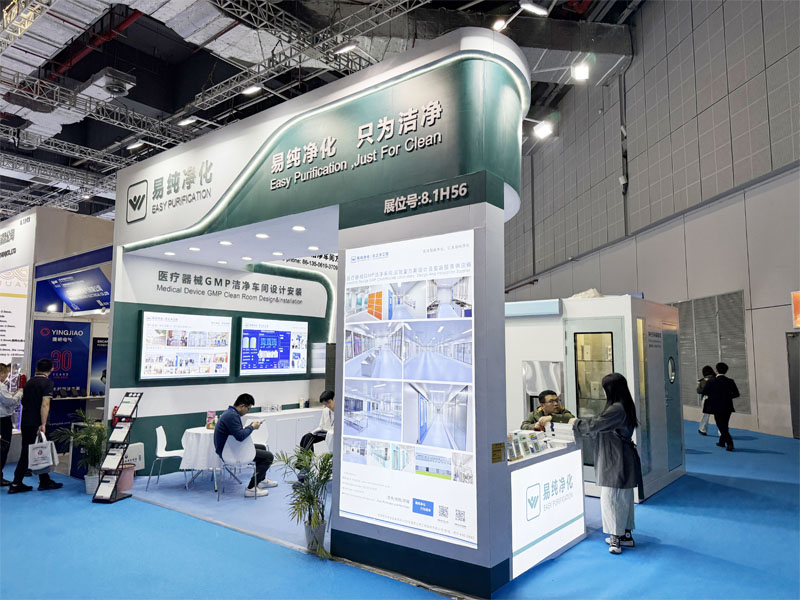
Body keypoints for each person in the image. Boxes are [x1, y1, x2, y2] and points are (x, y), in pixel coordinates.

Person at [569, 373, 642, 555]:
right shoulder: (624, 405)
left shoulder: (616, 409)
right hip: (621, 456)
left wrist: (575, 423)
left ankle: (615, 538)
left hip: (615, 458)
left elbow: (594, 425)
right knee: (623, 498)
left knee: (611, 499)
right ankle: (626, 535)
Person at [9, 358, 63, 494]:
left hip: (26, 421)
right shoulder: (47, 383)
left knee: (30, 451)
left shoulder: (29, 382)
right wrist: (43, 423)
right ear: (51, 369)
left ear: (37, 369)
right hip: (37, 423)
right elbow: (45, 404)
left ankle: (43, 480)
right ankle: (17, 482)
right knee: (35, 451)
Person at [214, 393, 277, 497]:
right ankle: (251, 488)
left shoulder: (230, 413)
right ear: (242, 406)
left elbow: (238, 433)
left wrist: (250, 427)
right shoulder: (232, 416)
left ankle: (261, 479)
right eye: (248, 408)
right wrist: (252, 427)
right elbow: (240, 436)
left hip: (230, 448)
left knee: (262, 447)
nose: (248, 411)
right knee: (268, 457)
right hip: (229, 452)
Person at [702, 362, 740, 452]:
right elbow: (736, 394)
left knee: (720, 425)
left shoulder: (711, 381)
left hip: (716, 406)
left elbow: (704, 391)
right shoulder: (730, 381)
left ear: (716, 371)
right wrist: (727, 397)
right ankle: (721, 442)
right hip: (728, 406)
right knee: (725, 424)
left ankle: (729, 443)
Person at [0, 363, 24, 485]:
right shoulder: (1, 386)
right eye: (6, 374)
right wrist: (20, 392)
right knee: (2, 449)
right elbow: (10, 402)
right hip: (2, 421)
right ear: (2, 373)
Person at [697, 365, 716, 435]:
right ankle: (722, 432)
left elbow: (699, 391)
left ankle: (703, 429)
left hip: (706, 398)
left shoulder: (703, 381)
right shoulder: (716, 379)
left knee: (705, 415)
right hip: (716, 398)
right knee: (719, 415)